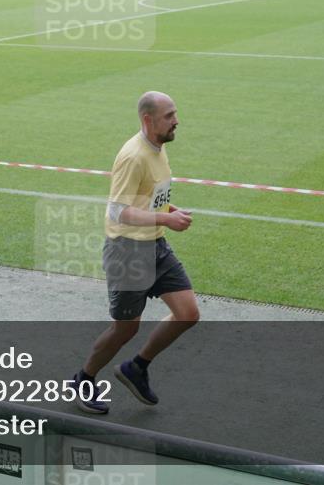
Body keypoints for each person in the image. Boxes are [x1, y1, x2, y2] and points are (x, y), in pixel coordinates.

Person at [71, 91, 199, 414]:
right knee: (126, 328)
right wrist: (166, 219)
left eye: (175, 113)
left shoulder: (158, 148)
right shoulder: (133, 156)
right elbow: (119, 212)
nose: (176, 121)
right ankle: (83, 379)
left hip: (155, 245)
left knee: (188, 313)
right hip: (127, 251)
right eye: (169, 116)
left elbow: (149, 198)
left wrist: (169, 210)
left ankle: (136, 368)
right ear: (148, 120)